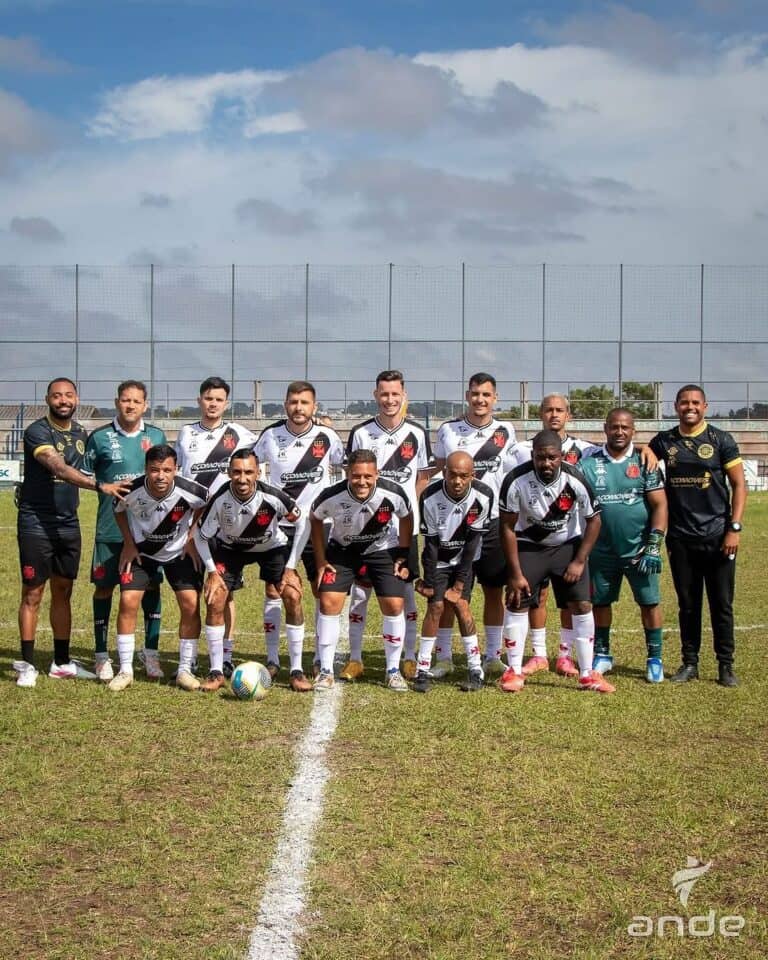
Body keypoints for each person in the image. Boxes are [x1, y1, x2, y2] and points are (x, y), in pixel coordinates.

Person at [13, 378, 130, 688]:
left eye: (68, 395)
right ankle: (26, 664)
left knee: (63, 590)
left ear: (76, 398)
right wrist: (99, 486)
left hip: (68, 523)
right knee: (33, 592)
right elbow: (59, 468)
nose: (63, 400)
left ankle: (62, 662)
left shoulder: (81, 432)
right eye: (56, 396)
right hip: (36, 523)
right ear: (47, 399)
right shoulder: (37, 431)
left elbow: (97, 465)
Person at [498, 430, 612, 694]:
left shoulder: (575, 479)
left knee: (582, 604)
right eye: (540, 457)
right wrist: (515, 573)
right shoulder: (515, 480)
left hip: (567, 547)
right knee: (517, 600)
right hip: (530, 546)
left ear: (561, 456)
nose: (546, 463)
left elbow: (594, 519)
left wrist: (579, 561)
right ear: (533, 456)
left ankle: (586, 674)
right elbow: (506, 527)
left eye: (552, 458)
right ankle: (513, 671)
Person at [649, 385, 747, 687]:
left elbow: (739, 486)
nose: (689, 407)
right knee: (688, 604)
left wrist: (734, 528)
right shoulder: (666, 440)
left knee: (721, 603)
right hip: (680, 537)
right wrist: (646, 452)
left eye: (695, 403)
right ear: (676, 406)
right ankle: (689, 662)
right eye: (683, 403)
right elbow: (647, 450)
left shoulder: (721, 440)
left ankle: (725, 665)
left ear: (705, 406)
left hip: (718, 535)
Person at [343, 370, 435, 681]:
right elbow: (352, 479)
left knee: (405, 594)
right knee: (359, 594)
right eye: (384, 394)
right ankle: (355, 659)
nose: (390, 400)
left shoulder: (417, 434)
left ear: (403, 395)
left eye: (395, 394)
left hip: (403, 531)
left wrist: (411, 512)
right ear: (375, 395)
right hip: (364, 530)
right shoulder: (360, 433)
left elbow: (422, 477)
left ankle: (408, 657)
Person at [194, 448, 311, 692]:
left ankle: (295, 669)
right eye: (236, 472)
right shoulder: (220, 498)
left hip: (271, 547)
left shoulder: (272, 496)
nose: (242, 478)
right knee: (215, 599)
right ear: (228, 473)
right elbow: (200, 535)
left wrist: (290, 567)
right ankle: (217, 669)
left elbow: (303, 523)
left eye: (248, 472)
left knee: (291, 594)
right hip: (231, 548)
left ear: (258, 472)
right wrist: (212, 572)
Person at [432, 372, 520, 679]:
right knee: (450, 594)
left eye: (486, 394)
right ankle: (444, 657)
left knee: (494, 590)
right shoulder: (448, 430)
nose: (480, 399)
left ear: (495, 398)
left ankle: (493, 655)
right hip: (455, 526)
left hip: (492, 522)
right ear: (467, 396)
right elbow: (440, 472)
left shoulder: (505, 431)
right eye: (475, 394)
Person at [253, 381, 344, 677]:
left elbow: (343, 472)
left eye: (305, 402)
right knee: (276, 589)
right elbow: (252, 469)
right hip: (279, 527)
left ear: (314, 407)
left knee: (323, 589)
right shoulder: (270, 436)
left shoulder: (327, 437)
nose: (298, 408)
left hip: (320, 526)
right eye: (293, 402)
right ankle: (272, 658)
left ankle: (319, 656)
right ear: (285, 405)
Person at [82, 380, 167, 681]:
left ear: (145, 404)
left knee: (152, 587)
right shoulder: (100, 437)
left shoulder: (156, 435)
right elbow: (82, 476)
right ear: (117, 402)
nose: (130, 405)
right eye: (125, 400)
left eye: (136, 401)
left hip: (148, 532)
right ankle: (102, 656)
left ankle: (151, 654)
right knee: (105, 588)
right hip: (109, 530)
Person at [310, 449, 413, 691]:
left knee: (394, 605)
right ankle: (325, 670)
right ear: (347, 473)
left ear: (376, 473)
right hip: (343, 552)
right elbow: (314, 519)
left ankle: (392, 670)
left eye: (368, 476)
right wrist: (321, 560)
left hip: (382, 551)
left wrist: (403, 554)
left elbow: (407, 517)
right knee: (328, 603)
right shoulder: (331, 496)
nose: (362, 481)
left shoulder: (393, 493)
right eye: (356, 476)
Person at [175, 376, 257, 677]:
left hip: (225, 528)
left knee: (225, 593)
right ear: (200, 400)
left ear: (227, 403)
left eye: (219, 399)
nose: (213, 403)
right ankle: (192, 656)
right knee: (191, 595)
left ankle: (225, 655)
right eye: (208, 398)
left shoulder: (241, 435)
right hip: (190, 525)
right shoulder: (185, 434)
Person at [108, 444, 207, 692]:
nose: (160, 476)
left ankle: (184, 669)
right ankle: (126, 670)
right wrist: (129, 544)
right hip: (142, 553)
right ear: (146, 469)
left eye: (166, 470)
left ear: (176, 470)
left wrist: (192, 538)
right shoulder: (130, 489)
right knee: (128, 601)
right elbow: (117, 509)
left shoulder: (191, 490)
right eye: (154, 470)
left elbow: (203, 505)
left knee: (191, 603)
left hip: (178, 553)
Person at [580, 409, 668, 682]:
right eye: (615, 427)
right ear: (605, 428)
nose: (620, 431)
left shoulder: (645, 462)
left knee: (649, 602)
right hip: (601, 551)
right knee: (601, 602)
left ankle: (655, 658)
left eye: (625, 427)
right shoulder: (589, 462)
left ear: (633, 431)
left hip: (639, 550)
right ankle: (603, 654)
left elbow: (660, 504)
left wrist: (654, 543)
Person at [412, 451, 493, 693]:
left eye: (463, 476)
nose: (457, 481)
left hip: (464, 561)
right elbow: (431, 544)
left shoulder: (484, 495)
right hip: (439, 560)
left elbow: (472, 543)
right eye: (452, 475)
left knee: (461, 606)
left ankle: (475, 669)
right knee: (435, 607)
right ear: (444, 472)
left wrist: (459, 585)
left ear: (473, 476)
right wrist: (428, 581)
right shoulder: (429, 496)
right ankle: (422, 669)